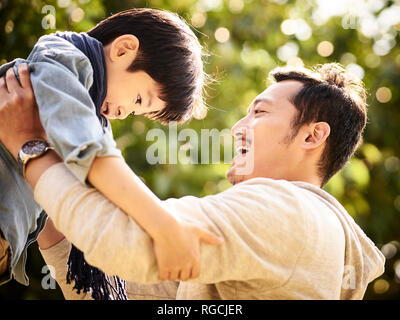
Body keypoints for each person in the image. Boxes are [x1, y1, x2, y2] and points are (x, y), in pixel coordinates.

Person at [0, 62, 385, 300]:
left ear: (312, 136)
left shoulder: (289, 210)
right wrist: (50, 207)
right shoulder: (293, 233)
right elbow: (111, 293)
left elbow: (126, 242)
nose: (238, 127)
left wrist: (29, 148)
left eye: (260, 112)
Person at [0, 8, 223, 299]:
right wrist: (167, 226)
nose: (123, 113)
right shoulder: (62, 57)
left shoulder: (92, 110)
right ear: (123, 49)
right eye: (139, 99)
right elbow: (92, 154)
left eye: (136, 110)